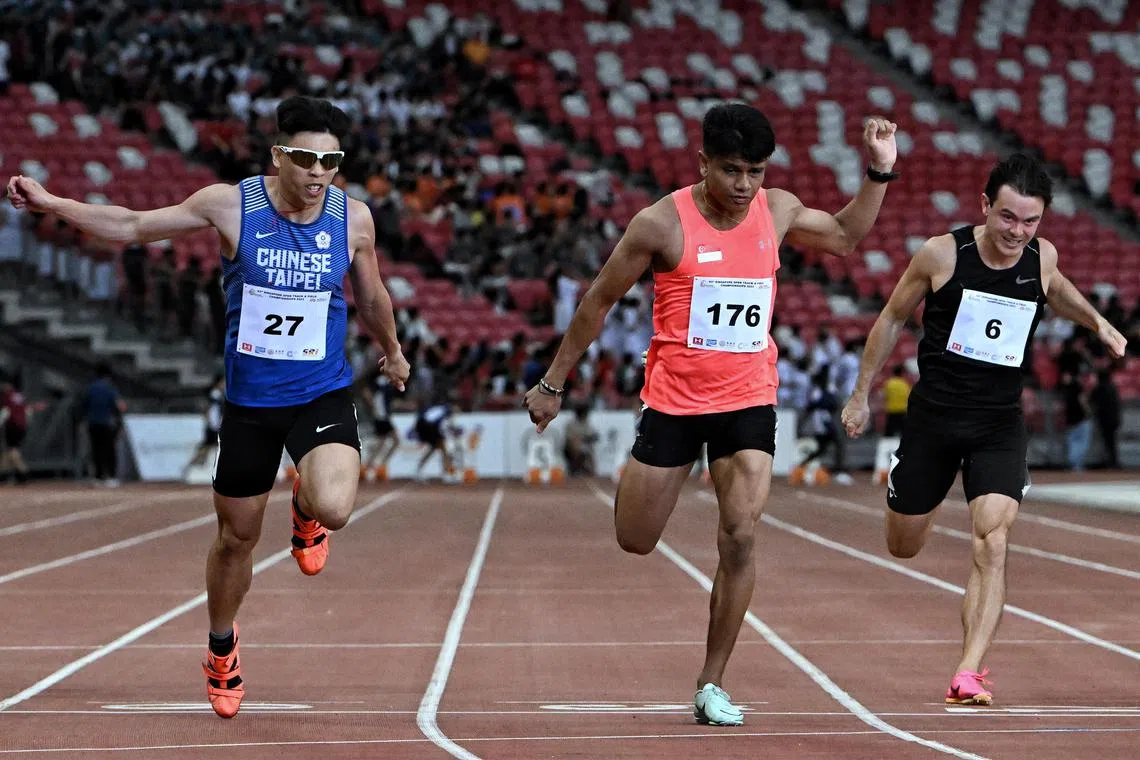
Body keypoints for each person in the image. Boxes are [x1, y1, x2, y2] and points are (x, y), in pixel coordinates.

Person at [6, 95, 410, 719]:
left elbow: (372, 293)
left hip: (321, 390)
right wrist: (53, 204)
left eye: (331, 162)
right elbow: (133, 226)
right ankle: (222, 647)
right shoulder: (230, 205)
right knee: (234, 541)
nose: (319, 173)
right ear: (278, 156)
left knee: (335, 506)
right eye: (307, 159)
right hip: (251, 404)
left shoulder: (353, 218)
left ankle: (306, 510)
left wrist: (393, 350)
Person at [525, 103, 898, 725]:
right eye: (731, 171)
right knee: (635, 539)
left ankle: (711, 682)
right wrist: (552, 383)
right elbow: (598, 301)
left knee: (741, 534)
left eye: (756, 171)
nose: (745, 185)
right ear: (703, 163)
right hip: (674, 403)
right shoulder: (659, 224)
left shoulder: (776, 209)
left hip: (748, 398)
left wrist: (879, 172)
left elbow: (843, 236)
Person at [840, 153, 1127, 706]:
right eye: (1008, 217)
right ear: (985, 207)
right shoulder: (942, 255)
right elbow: (892, 317)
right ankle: (914, 492)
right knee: (903, 545)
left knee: (993, 539)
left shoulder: (1041, 256)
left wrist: (1098, 322)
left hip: (998, 423)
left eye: (1030, 221)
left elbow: (1055, 286)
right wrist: (860, 394)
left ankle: (967, 672)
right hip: (933, 420)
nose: (1018, 232)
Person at [82, 362, 126, 487]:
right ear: (108, 375)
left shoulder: (91, 388)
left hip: (93, 423)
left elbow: (84, 405)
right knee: (109, 450)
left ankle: (98, 477)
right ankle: (111, 477)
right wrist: (120, 422)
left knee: (96, 450)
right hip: (107, 423)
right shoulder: (110, 388)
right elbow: (119, 407)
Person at [360, 367, 400, 480]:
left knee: (381, 442)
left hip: (382, 416)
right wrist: (373, 407)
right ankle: (378, 465)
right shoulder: (382, 380)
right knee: (395, 440)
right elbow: (367, 392)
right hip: (381, 416)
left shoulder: (385, 381)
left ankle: (370, 467)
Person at [183, 374, 225, 478]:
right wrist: (208, 420)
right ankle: (190, 466)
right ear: (218, 383)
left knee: (207, 449)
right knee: (207, 448)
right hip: (213, 426)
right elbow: (208, 408)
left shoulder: (219, 395)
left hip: (216, 425)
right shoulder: (214, 394)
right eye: (222, 382)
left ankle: (192, 464)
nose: (224, 385)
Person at [0, 375, 29, 484]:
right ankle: (3, 474)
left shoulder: (7, 395)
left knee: (12, 450)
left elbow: (5, 411)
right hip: (22, 425)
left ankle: (23, 473)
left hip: (13, 425)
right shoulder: (18, 395)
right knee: (8, 451)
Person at [881, 364, 911, 436]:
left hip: (891, 410)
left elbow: (885, 396)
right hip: (902, 410)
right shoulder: (905, 384)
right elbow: (909, 397)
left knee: (889, 432)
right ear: (902, 373)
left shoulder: (889, 383)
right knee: (903, 432)